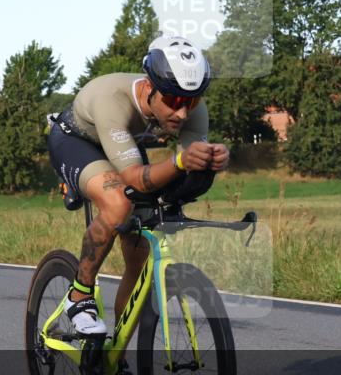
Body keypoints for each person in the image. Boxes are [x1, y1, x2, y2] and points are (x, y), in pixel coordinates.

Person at [48, 35, 229, 336]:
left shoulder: (191, 109)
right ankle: (79, 293)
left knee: (140, 254)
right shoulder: (112, 99)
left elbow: (189, 168)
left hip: (124, 146)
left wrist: (213, 159)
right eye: (173, 101)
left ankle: (113, 362)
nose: (183, 113)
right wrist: (181, 162)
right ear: (149, 87)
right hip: (76, 141)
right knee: (119, 203)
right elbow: (134, 176)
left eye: (192, 101)